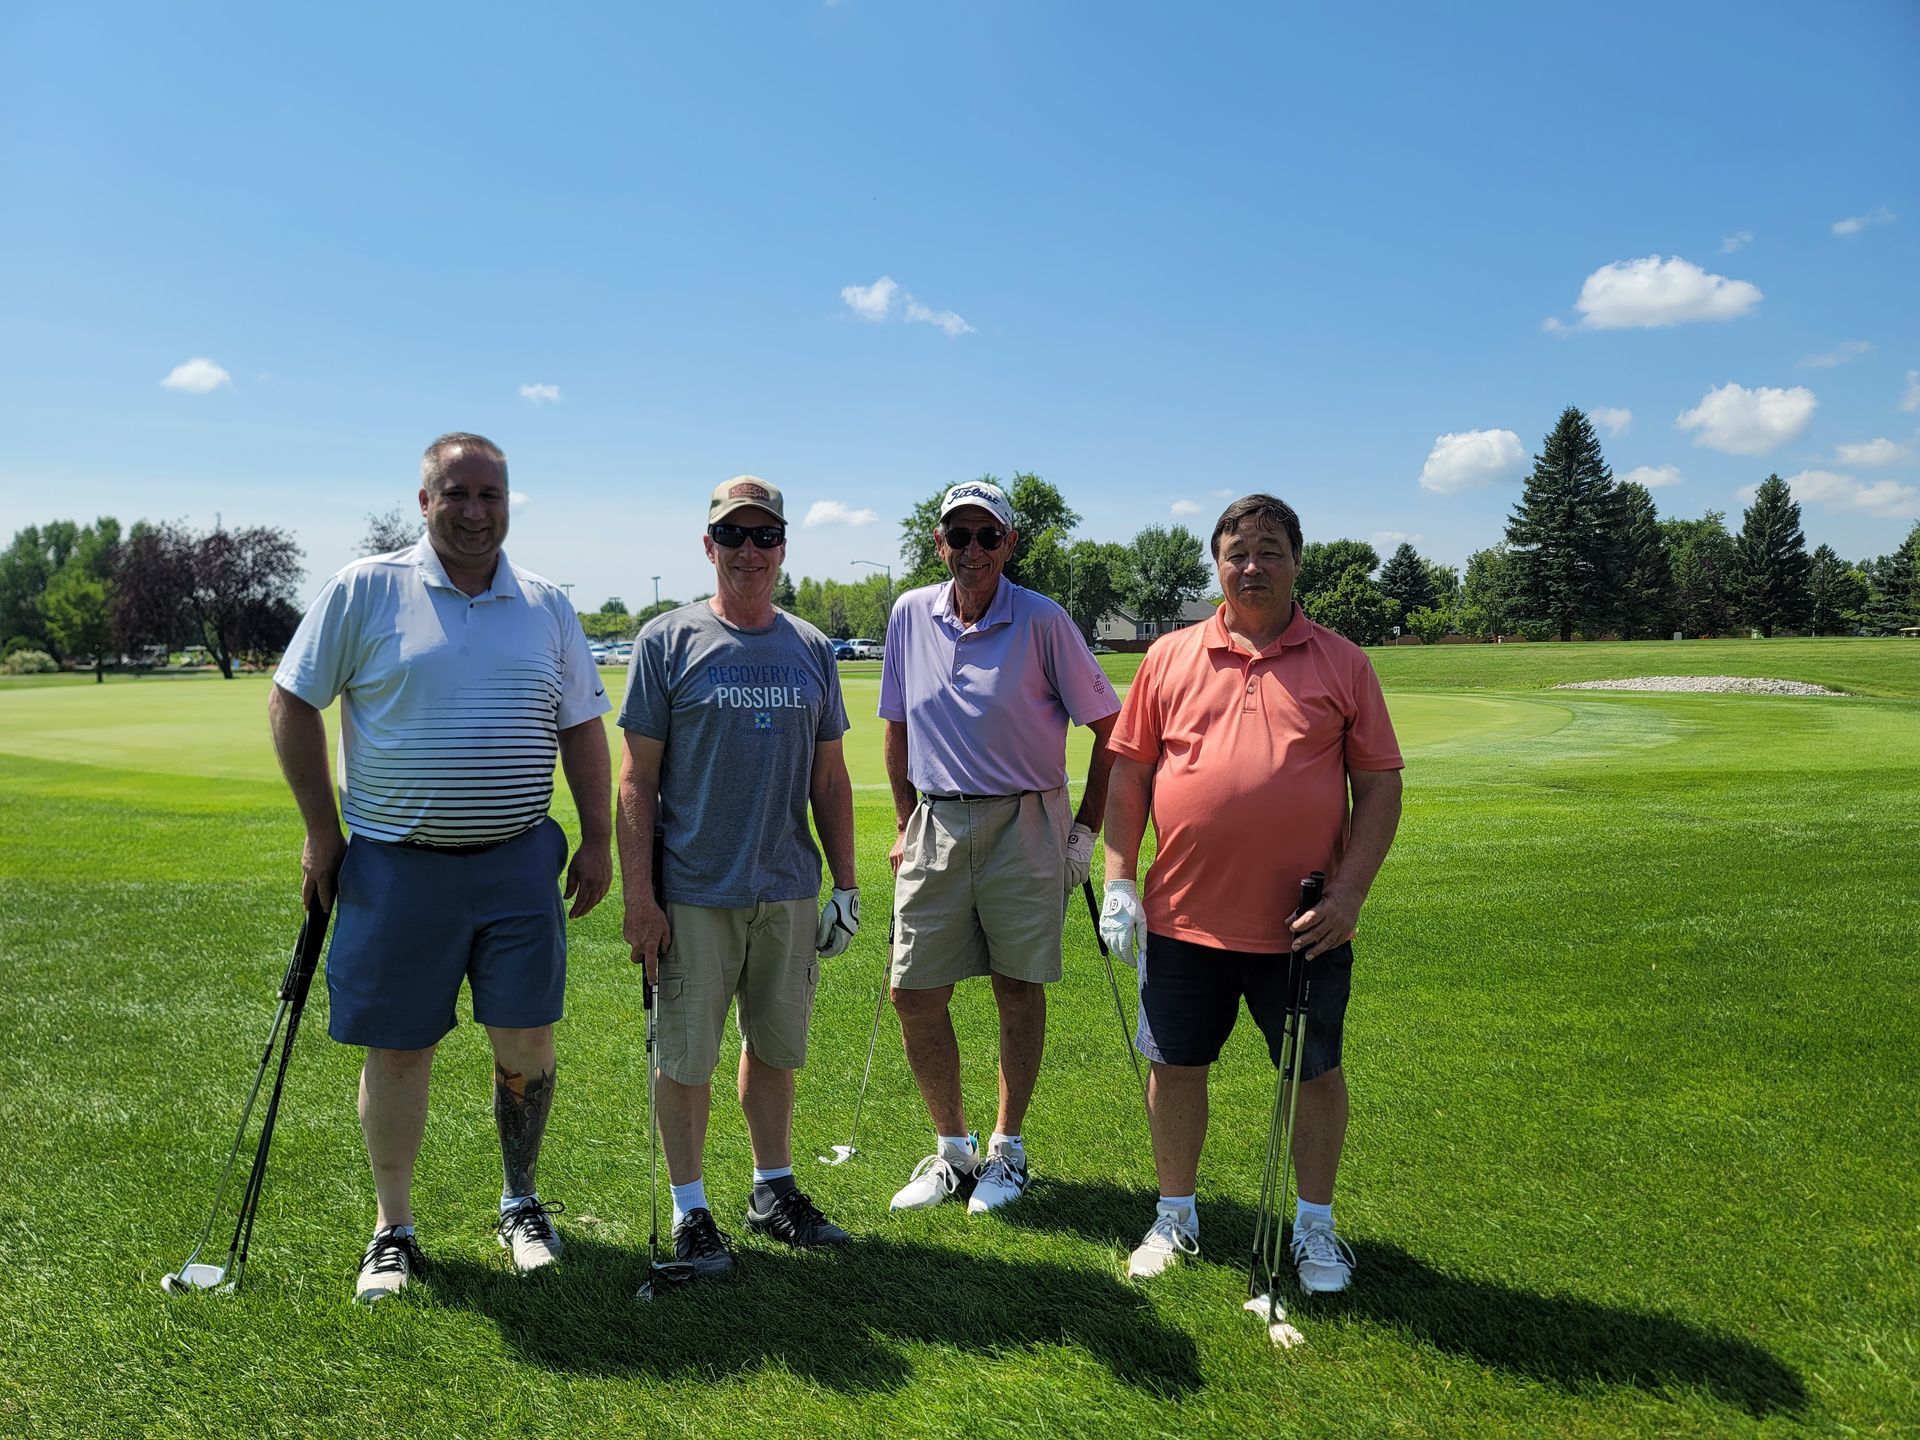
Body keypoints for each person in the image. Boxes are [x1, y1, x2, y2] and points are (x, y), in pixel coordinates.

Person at [268, 432, 612, 1305]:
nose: (474, 510)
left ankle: (521, 1202)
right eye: (455, 493)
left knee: (528, 1044)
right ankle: (393, 1228)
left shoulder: (545, 604)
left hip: (518, 861)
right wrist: (321, 830)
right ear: (424, 501)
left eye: (490, 494)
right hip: (395, 866)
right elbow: (292, 699)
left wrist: (600, 838)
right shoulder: (365, 587)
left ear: (509, 501)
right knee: (398, 1052)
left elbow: (580, 728)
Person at [1100, 493, 1403, 1290]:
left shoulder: (1343, 661)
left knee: (1313, 1074)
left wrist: (1350, 897)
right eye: (1237, 553)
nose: (1252, 566)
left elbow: (1378, 788)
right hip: (1182, 918)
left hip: (1305, 926)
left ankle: (1315, 1229)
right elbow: (1129, 772)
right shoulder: (1169, 657)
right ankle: (1175, 1214)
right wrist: (1120, 879)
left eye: (1270, 550)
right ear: (1218, 564)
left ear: (1298, 561)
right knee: (1175, 1068)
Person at [615, 476, 859, 1278]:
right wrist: (641, 899)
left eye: (763, 536)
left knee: (778, 1048)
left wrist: (847, 885)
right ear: (708, 544)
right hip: (693, 893)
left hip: (786, 886)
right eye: (733, 536)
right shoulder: (666, 641)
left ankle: (772, 1189)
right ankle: (691, 1210)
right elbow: (635, 782)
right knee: (686, 1059)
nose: (748, 551)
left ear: (783, 545)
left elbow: (829, 780)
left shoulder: (812, 647)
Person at [879, 480, 1121, 1214]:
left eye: (989, 536)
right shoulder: (909, 614)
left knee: (1017, 989)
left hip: (1026, 821)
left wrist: (1084, 830)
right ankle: (952, 1152)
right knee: (913, 992)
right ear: (938, 542)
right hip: (937, 820)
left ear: (1011, 544)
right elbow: (895, 728)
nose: (973, 550)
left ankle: (1006, 1151)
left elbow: (1110, 728)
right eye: (960, 535)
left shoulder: (1043, 620)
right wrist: (901, 823)